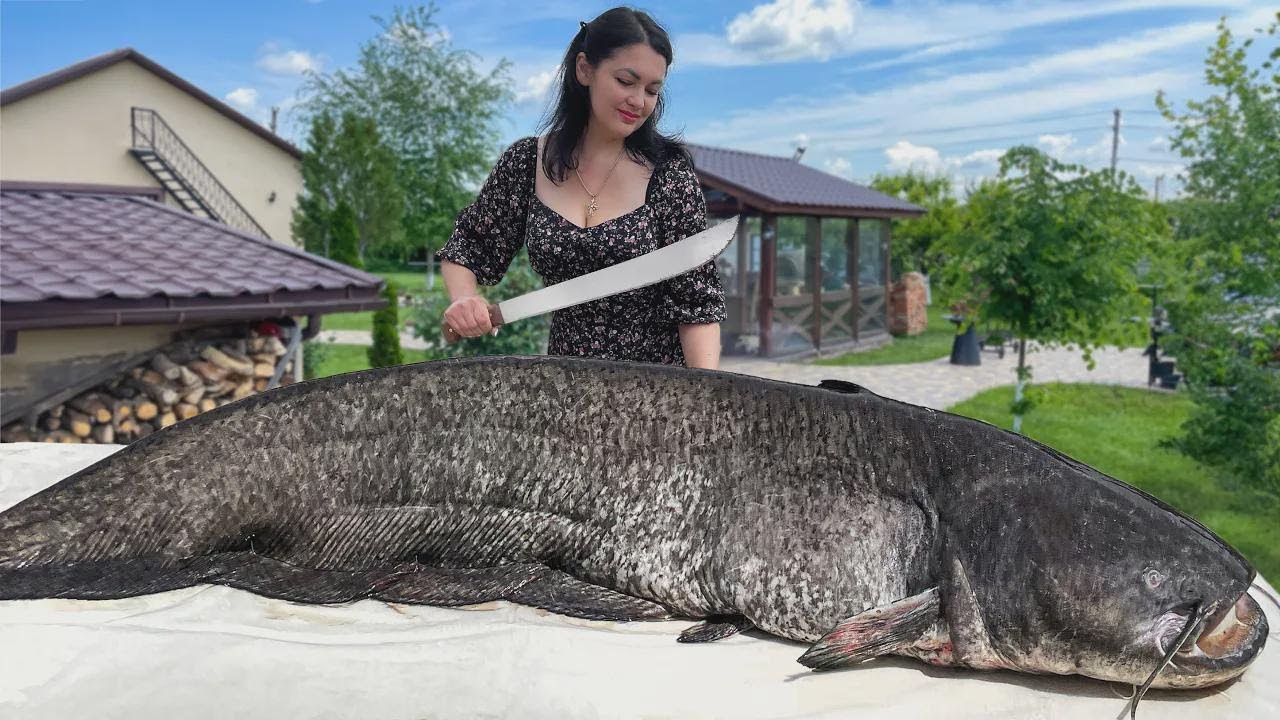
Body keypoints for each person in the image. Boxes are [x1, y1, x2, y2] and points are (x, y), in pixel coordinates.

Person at [438, 6, 725, 369]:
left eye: (652, 90)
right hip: (566, 388)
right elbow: (468, 246)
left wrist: (704, 402)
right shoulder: (527, 162)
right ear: (585, 69)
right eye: (626, 81)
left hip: (657, 395)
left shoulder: (669, 174)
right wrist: (464, 299)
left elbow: (696, 304)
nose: (639, 102)